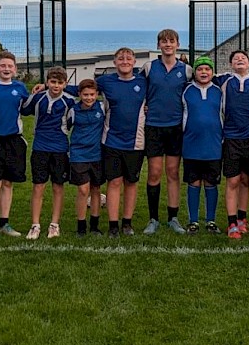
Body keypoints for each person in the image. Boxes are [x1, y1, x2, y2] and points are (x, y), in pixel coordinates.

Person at [142, 29, 192, 234]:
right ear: (158, 45)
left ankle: (173, 218)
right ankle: (153, 219)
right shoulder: (148, 68)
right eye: (164, 41)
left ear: (178, 44)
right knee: (154, 172)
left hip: (175, 127)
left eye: (171, 41)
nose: (168, 44)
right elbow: (138, 90)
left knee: (172, 172)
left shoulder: (186, 70)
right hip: (153, 126)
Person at [95, 47, 148, 236]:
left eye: (128, 58)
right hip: (111, 141)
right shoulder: (105, 81)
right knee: (114, 182)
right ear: (114, 62)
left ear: (134, 62)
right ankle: (113, 225)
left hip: (136, 142)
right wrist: (45, 86)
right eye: (120, 58)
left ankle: (127, 223)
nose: (125, 61)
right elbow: (81, 89)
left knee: (131, 182)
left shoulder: (143, 82)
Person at [0, 50, 30, 244]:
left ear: (15, 69)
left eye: (10, 66)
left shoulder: (20, 88)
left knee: (8, 183)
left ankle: (4, 223)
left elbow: (26, 109)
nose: (6, 69)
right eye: (3, 65)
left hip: (14, 142)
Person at [215, 50, 249, 240]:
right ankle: (231, 222)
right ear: (231, 64)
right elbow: (198, 75)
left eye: (243, 58)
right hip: (230, 138)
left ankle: (242, 218)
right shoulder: (224, 80)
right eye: (235, 58)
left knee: (245, 179)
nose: (239, 60)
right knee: (233, 181)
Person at [21, 67, 75, 239]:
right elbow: (23, 109)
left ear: (65, 84)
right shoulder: (38, 98)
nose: (56, 86)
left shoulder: (69, 101)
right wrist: (34, 91)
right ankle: (35, 225)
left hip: (60, 149)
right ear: (47, 82)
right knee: (38, 186)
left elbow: (74, 120)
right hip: (40, 147)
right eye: (53, 82)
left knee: (58, 186)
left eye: (60, 82)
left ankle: (54, 224)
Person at [181, 56, 224, 234]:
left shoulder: (219, 91)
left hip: (213, 145)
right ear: (195, 72)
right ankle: (193, 221)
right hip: (191, 145)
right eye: (200, 69)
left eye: (207, 69)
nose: (204, 72)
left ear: (212, 72)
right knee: (194, 182)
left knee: (211, 182)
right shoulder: (186, 90)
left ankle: (211, 220)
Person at [64, 79, 106, 236]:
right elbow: (65, 128)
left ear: (97, 94)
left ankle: (94, 226)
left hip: (97, 154)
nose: (89, 98)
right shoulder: (73, 111)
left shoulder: (102, 107)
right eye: (85, 95)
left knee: (96, 189)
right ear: (79, 94)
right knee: (83, 190)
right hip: (78, 154)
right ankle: (81, 226)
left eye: (92, 94)